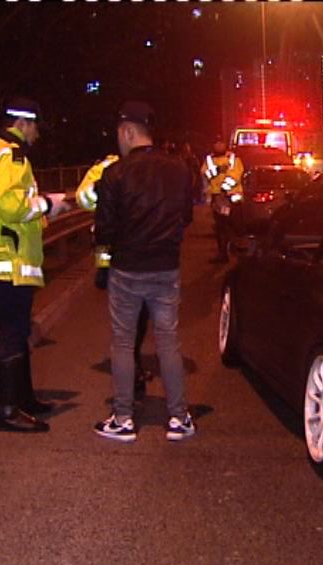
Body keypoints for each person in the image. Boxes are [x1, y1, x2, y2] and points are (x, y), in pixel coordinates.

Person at [0, 96, 72, 433]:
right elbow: (13, 208)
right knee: (12, 331)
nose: (38, 135)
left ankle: (23, 399)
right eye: (36, 127)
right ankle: (7, 409)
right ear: (23, 124)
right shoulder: (12, 157)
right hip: (6, 253)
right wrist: (47, 203)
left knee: (18, 327)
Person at [93, 100, 195, 442]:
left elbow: (104, 230)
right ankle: (178, 418)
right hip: (166, 267)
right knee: (168, 340)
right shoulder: (180, 169)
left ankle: (123, 419)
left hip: (127, 269)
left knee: (122, 342)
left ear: (127, 131)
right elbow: (186, 217)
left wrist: (102, 266)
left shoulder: (115, 174)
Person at [75, 154, 153, 399]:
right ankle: (130, 372)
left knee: (141, 313)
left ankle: (133, 364)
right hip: (111, 249)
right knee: (126, 315)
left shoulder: (150, 166)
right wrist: (104, 190)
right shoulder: (105, 167)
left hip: (140, 248)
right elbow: (83, 197)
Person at [202, 139, 243, 263]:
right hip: (218, 198)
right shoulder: (209, 160)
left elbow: (235, 175)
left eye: (221, 143)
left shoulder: (233, 159)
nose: (218, 145)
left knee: (233, 226)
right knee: (221, 227)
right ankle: (223, 253)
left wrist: (224, 189)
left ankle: (233, 252)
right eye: (216, 143)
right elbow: (204, 174)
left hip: (230, 198)